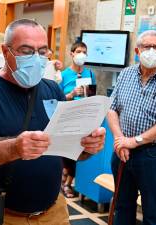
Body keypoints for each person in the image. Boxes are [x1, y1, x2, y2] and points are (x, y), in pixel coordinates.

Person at [0, 18, 106, 225]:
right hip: (0, 215)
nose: (36, 58)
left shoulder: (52, 89)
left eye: (42, 52)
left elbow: (71, 150)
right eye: (26, 51)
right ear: (5, 51)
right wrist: (14, 148)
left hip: (53, 213)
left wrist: (88, 147)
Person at [107, 30, 156, 225]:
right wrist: (120, 141)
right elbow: (111, 110)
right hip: (122, 152)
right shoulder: (125, 74)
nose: (151, 50)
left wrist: (134, 141)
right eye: (146, 46)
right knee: (122, 206)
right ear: (137, 50)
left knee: (151, 211)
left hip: (153, 155)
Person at [59, 41, 96, 198]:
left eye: (84, 52)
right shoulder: (63, 75)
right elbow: (57, 99)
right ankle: (64, 181)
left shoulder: (90, 73)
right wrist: (72, 94)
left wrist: (88, 92)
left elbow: (93, 95)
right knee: (67, 151)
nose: (82, 54)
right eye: (78, 51)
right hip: (67, 118)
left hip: (84, 118)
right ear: (72, 54)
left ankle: (67, 181)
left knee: (79, 151)